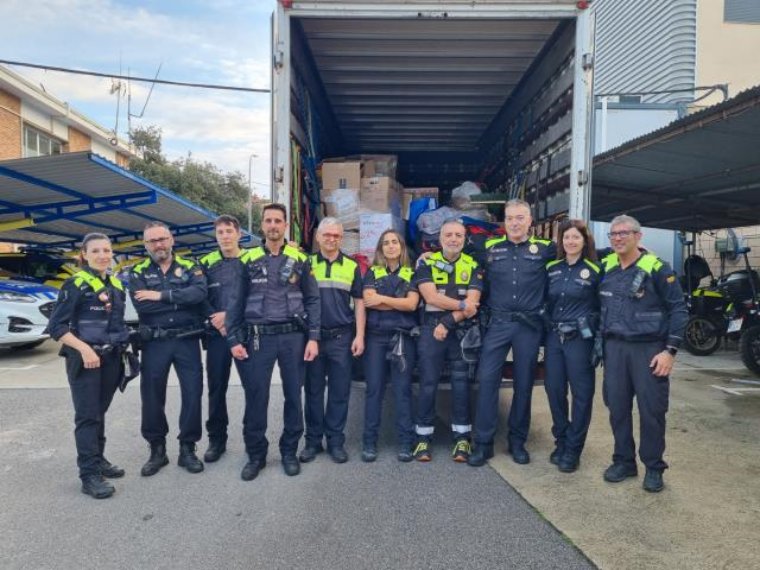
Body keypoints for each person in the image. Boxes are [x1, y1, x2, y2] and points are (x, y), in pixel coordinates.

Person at [226, 203, 320, 481]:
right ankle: (256, 455)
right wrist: (233, 339)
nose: (273, 225)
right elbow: (235, 302)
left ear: (285, 225)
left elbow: (313, 300)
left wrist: (313, 337)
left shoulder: (300, 260)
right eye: (268, 220)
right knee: (257, 397)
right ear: (262, 226)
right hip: (258, 339)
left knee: (294, 395)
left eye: (278, 220)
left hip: (293, 337)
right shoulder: (247, 259)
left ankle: (289, 452)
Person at [598, 214, 687, 492]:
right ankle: (624, 461)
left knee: (652, 412)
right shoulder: (605, 265)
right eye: (613, 234)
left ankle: (653, 467)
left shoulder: (658, 267)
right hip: (615, 349)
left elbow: (678, 309)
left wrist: (669, 351)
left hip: (650, 350)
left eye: (624, 233)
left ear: (639, 236)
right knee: (618, 409)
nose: (618, 238)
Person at [469, 199, 556, 467]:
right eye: (509, 218)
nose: (515, 223)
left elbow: (576, 259)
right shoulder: (488, 247)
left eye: (520, 218)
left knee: (523, 385)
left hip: (528, 327)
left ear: (530, 221)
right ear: (503, 222)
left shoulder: (546, 250)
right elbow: (455, 252)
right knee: (486, 382)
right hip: (497, 324)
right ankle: (483, 444)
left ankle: (518, 442)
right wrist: (427, 255)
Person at [47, 233, 130, 499]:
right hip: (85, 360)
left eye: (107, 250)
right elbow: (56, 327)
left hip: (111, 359)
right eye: (96, 251)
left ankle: (99, 459)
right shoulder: (75, 284)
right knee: (87, 416)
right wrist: (83, 349)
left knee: (99, 412)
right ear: (84, 254)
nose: (103, 255)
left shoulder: (116, 284)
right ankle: (89, 475)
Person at [130, 221, 208, 476]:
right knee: (152, 397)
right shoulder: (138, 271)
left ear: (172, 240)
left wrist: (161, 296)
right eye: (153, 241)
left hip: (187, 340)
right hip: (155, 342)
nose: (159, 245)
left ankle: (188, 448)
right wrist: (179, 299)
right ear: (146, 245)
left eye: (162, 239)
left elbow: (199, 294)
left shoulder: (190, 266)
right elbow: (143, 307)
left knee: (192, 393)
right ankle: (157, 450)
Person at [413, 219, 483, 463]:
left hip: (459, 331)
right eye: (449, 235)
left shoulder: (473, 265)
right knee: (428, 384)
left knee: (461, 384)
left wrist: (448, 321)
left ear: (465, 239)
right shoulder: (426, 262)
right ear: (440, 238)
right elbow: (430, 296)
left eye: (458, 235)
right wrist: (462, 305)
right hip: (431, 330)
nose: (454, 239)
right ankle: (422, 438)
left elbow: (474, 303)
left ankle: (462, 438)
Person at [300, 218, 365, 464]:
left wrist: (359, 335)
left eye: (336, 236)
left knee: (340, 392)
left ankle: (336, 441)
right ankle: (313, 442)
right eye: (327, 235)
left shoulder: (351, 266)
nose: (331, 239)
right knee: (314, 392)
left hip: (342, 337)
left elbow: (359, 302)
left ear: (341, 238)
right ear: (318, 237)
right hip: (313, 339)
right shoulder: (305, 264)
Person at [544, 219, 601, 473]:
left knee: (581, 395)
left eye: (575, 237)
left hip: (580, 339)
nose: (570, 242)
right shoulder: (552, 268)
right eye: (566, 237)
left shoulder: (596, 269)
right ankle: (561, 440)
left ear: (585, 241)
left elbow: (603, 307)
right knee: (554, 390)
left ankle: (574, 448)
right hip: (555, 338)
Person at [361, 229, 420, 462]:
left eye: (395, 242)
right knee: (374, 391)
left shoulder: (412, 272)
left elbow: (412, 305)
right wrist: (398, 302)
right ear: (381, 248)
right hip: (376, 338)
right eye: (386, 243)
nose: (391, 246)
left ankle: (406, 443)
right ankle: (369, 442)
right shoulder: (372, 272)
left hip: (403, 338)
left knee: (402, 392)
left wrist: (382, 299)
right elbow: (368, 301)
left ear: (402, 247)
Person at [198, 215, 247, 463]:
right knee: (216, 389)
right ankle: (217, 440)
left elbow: (259, 294)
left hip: (245, 333)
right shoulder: (206, 262)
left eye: (229, 231)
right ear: (215, 236)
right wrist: (214, 317)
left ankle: (253, 439)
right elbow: (199, 295)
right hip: (217, 334)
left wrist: (230, 316)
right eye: (220, 232)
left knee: (254, 389)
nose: (225, 236)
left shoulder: (251, 259)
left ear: (239, 234)